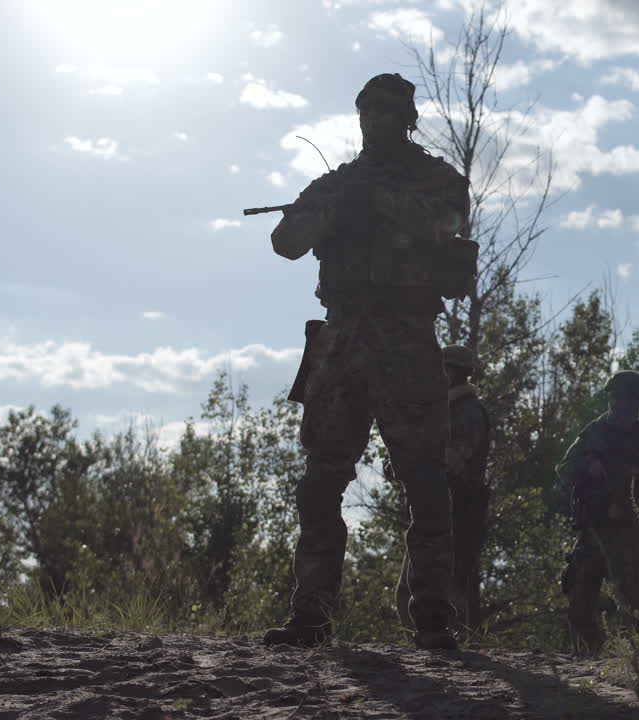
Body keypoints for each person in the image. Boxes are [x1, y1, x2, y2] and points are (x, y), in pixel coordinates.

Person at [262, 72, 474, 650]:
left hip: (407, 336)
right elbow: (286, 241)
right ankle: (312, 614)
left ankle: (431, 617)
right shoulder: (337, 183)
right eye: (368, 111)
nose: (376, 120)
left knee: (425, 480)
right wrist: (332, 212)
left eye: (388, 111)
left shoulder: (436, 179)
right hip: (343, 339)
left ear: (408, 118)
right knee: (320, 481)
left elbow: (451, 220)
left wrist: (378, 204)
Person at [556, 371, 639, 653]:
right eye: (616, 399)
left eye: (629, 401)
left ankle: (636, 665)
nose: (621, 406)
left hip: (630, 532)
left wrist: (633, 505)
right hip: (593, 528)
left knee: (634, 605)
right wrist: (588, 466)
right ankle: (590, 660)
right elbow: (564, 469)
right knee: (579, 600)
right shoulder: (595, 430)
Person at [396, 344, 491, 633]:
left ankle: (453, 648)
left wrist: (413, 459)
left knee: (449, 590)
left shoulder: (468, 412)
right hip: (433, 508)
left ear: (455, 373)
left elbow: (452, 461)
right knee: (407, 592)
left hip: (458, 510)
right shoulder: (442, 409)